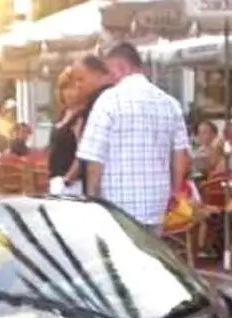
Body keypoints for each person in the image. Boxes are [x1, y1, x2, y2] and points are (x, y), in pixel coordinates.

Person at [76, 42, 190, 235]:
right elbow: (180, 156)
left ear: (122, 67)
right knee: (150, 252)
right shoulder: (170, 103)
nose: (110, 78)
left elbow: (94, 161)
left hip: (116, 206)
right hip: (157, 203)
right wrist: (175, 192)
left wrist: (93, 201)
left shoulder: (108, 101)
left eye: (111, 71)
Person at [71, 55, 114, 195]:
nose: (77, 85)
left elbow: (92, 153)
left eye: (81, 79)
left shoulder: (100, 102)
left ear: (98, 74)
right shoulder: (105, 99)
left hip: (101, 184)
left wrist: (91, 196)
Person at [47, 66, 85, 196]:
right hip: (56, 180)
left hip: (72, 183)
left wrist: (68, 179)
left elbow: (84, 151)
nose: (68, 92)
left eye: (72, 88)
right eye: (64, 88)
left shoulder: (82, 116)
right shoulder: (62, 114)